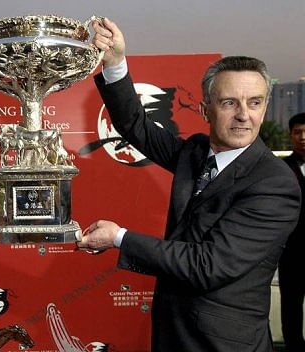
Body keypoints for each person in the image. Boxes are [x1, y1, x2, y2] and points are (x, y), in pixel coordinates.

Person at [77, 18, 301, 352]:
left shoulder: (275, 183)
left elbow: (208, 265)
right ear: (204, 109)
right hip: (173, 334)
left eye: (254, 102)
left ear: (265, 107)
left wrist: (118, 238)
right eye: (229, 103)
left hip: (224, 345)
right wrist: (115, 62)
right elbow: (134, 125)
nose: (244, 115)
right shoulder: (195, 152)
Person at [279, 112, 305, 351]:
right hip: (291, 252)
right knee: (291, 308)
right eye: (298, 132)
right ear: (291, 135)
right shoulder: (280, 168)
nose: (303, 137)